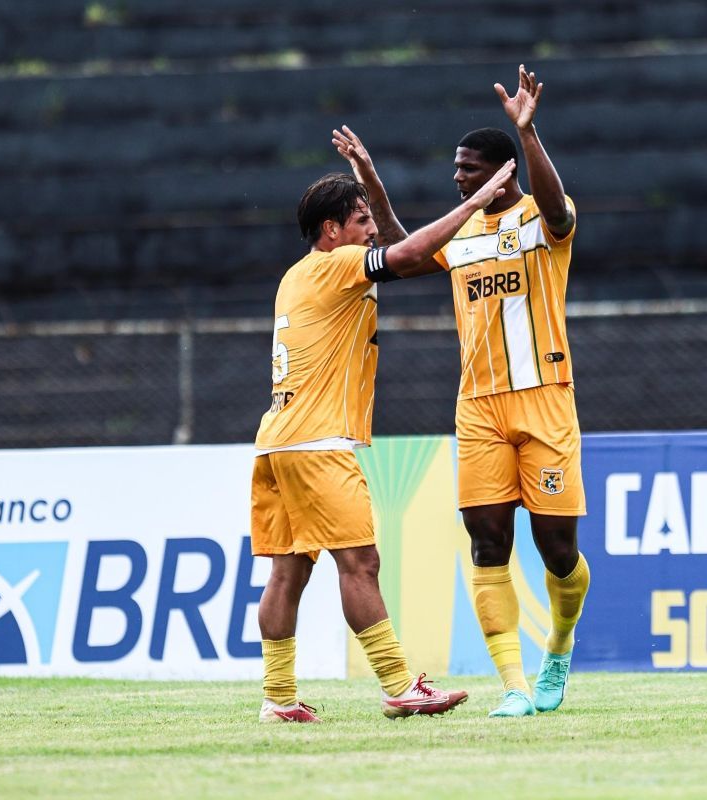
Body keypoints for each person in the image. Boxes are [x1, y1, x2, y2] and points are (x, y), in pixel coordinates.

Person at [332, 65, 590, 718]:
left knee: (558, 551)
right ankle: (514, 687)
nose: (457, 178)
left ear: (500, 172)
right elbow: (401, 250)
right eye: (455, 169)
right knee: (487, 542)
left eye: (467, 169)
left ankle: (558, 647)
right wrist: (370, 177)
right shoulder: (462, 232)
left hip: (545, 398)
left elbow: (557, 208)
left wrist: (528, 134)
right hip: (478, 407)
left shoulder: (541, 219)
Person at [252, 158, 516, 723]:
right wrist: (475, 204)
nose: (371, 229)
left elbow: (399, 247)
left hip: (277, 440)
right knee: (361, 563)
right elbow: (409, 253)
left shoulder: (298, 274)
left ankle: (278, 697)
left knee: (288, 572)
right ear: (331, 230)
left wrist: (369, 180)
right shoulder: (339, 264)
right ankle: (399, 686)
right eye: (361, 220)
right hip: (317, 443)